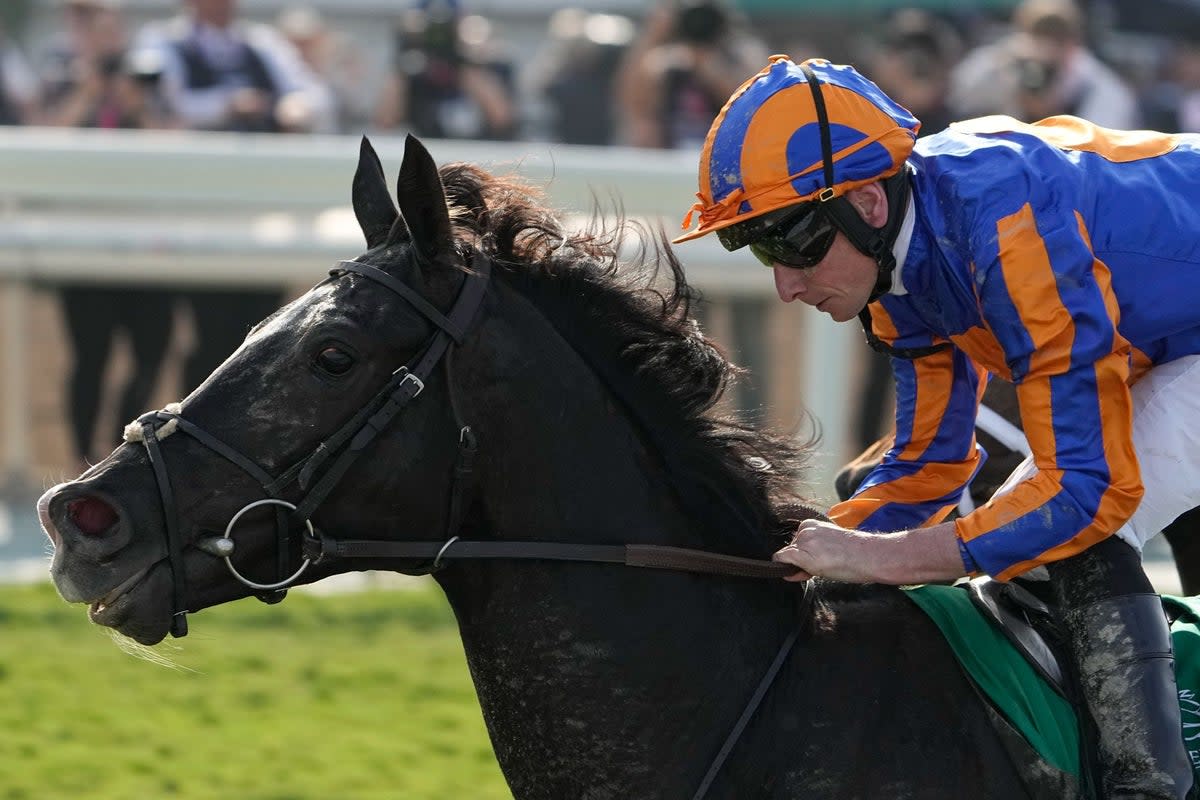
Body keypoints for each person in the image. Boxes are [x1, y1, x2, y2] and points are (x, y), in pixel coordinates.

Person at [675, 55, 1198, 798]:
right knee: (979, 513)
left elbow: (1086, 491)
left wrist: (889, 561)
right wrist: (798, 550)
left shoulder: (1006, 224)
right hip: (1169, 333)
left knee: (1074, 528)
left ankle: (1148, 788)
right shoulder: (896, 266)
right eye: (760, 249)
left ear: (868, 202)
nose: (785, 284)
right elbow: (927, 467)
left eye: (791, 242)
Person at [949, 0, 1139, 128]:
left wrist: (1053, 111)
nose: (1047, 46)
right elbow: (955, 99)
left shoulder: (1098, 88)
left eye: (1058, 36)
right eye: (1039, 33)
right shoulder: (998, 62)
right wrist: (1004, 75)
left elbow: (1101, 152)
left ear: (1074, 41)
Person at [616, 0, 767, 150]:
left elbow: (753, 106)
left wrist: (710, 68)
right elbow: (634, 104)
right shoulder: (662, 59)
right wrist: (654, 34)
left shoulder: (741, 53)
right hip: (669, 153)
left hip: (724, 155)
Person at [373, 0, 516, 141]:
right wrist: (404, 57)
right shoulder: (413, 67)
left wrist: (466, 60)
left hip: (480, 154)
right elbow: (385, 122)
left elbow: (502, 119)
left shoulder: (487, 64)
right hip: (427, 154)